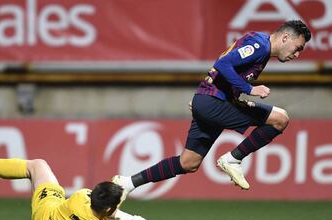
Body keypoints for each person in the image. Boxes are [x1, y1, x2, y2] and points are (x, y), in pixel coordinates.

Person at [113, 20, 312, 196]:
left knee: (188, 162)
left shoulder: (259, 44)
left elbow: (224, 69)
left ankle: (128, 183)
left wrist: (205, 94)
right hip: (214, 103)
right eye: (298, 48)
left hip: (210, 100)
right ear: (285, 37)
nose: (297, 54)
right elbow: (223, 64)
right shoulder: (260, 45)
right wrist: (249, 89)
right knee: (280, 118)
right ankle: (233, 159)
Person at [0, 136, 168, 220]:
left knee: (37, 166)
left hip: (45, 215)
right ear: (108, 207)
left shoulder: (82, 196)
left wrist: (129, 217)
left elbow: (108, 211)